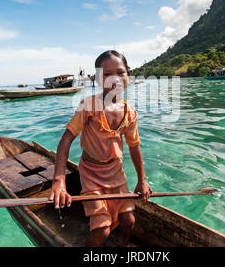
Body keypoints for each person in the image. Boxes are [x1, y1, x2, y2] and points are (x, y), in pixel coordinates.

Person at [49, 50, 152, 247]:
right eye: (107, 74)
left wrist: (142, 180)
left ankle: (122, 246)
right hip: (91, 174)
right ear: (97, 79)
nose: (115, 78)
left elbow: (134, 147)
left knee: (129, 221)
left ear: (128, 76)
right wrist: (59, 181)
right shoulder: (88, 106)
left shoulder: (130, 113)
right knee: (102, 230)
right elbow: (66, 140)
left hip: (116, 172)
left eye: (120, 72)